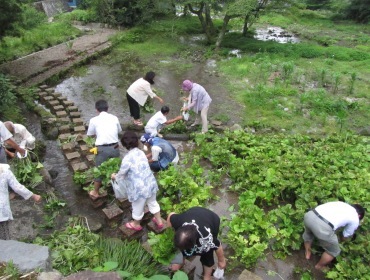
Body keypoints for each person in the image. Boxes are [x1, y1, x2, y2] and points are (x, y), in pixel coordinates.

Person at [111, 131, 164, 231]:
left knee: (137, 206)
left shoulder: (127, 158)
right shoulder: (141, 152)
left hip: (139, 188)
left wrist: (114, 176)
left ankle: (136, 224)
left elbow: (122, 174)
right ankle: (159, 221)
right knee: (153, 202)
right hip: (150, 183)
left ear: (124, 145)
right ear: (136, 142)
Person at [167, 207, 227, 280]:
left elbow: (218, 245)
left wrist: (221, 261)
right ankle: (180, 262)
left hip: (211, 219)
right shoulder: (178, 221)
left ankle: (207, 276)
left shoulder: (206, 239)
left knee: (207, 256)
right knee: (180, 251)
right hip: (193, 212)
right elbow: (171, 215)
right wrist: (169, 231)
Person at [302, 201, 365, 270]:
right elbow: (346, 235)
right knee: (333, 251)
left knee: (309, 234)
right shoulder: (355, 218)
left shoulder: (341, 203)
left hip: (310, 215)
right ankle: (319, 266)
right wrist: (342, 241)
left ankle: (307, 253)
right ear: (359, 216)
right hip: (323, 226)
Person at [87, 99, 122, 199]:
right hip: (115, 147)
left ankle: (95, 192)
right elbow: (119, 130)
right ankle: (119, 191)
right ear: (107, 108)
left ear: (96, 110)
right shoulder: (114, 118)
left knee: (99, 170)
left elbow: (90, 134)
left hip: (102, 149)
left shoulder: (93, 120)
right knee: (116, 168)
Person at [0, 163, 41, 239]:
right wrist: (33, 195)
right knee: (4, 241)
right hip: (2, 212)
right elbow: (17, 187)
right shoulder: (4, 171)